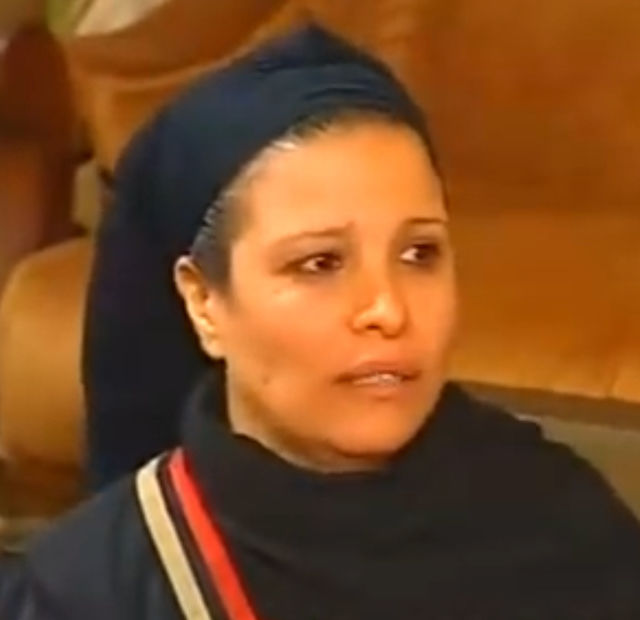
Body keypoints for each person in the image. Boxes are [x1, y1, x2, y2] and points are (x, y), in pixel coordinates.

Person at [2, 23, 640, 619]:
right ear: (204, 302)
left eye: (419, 254)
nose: (388, 308)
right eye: (319, 264)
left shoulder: (560, 518)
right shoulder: (93, 590)